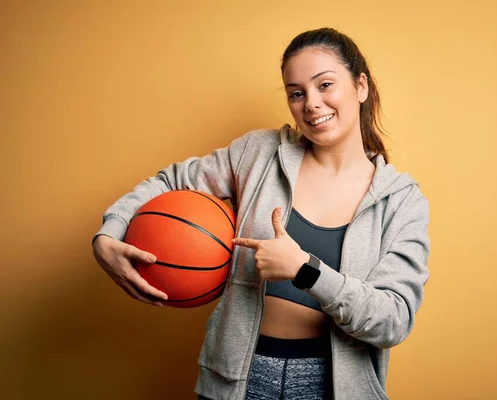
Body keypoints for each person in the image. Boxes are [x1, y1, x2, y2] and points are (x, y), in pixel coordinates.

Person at [92, 27, 431, 400]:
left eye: (325, 85)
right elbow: (170, 181)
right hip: (237, 377)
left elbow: (393, 321)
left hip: (333, 387)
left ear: (361, 86)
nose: (311, 104)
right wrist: (111, 232)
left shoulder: (401, 200)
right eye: (297, 93)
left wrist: (306, 269)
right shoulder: (257, 153)